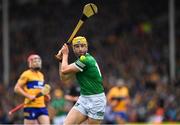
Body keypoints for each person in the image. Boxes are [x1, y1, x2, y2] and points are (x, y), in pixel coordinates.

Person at [56, 36, 107, 125]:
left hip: (97, 100)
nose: (80, 49)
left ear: (87, 47)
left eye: (83, 46)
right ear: (73, 49)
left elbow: (64, 70)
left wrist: (65, 54)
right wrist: (61, 60)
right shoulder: (79, 63)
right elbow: (64, 78)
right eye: (77, 46)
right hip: (84, 99)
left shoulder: (86, 60)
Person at [14, 54, 51, 124]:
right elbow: (16, 88)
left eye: (39, 61)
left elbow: (40, 89)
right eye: (35, 61)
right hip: (30, 107)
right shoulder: (26, 74)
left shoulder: (41, 75)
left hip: (42, 107)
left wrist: (46, 96)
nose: (37, 62)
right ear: (30, 63)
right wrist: (28, 96)